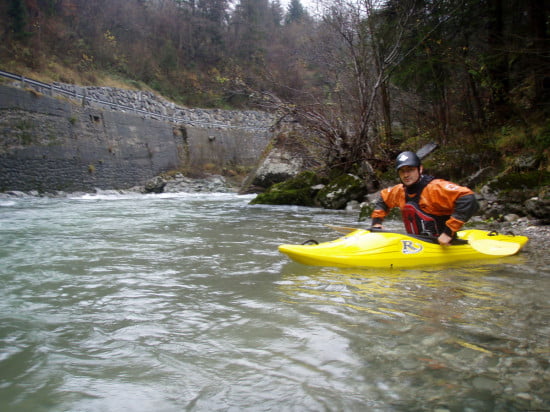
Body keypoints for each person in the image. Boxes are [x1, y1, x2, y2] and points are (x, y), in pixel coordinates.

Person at [370, 151, 479, 246]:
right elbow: (383, 199)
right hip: (417, 244)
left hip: (443, 244)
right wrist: (376, 223)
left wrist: (448, 232)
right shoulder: (399, 191)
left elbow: (468, 198)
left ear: (420, 169)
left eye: (410, 169)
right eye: (402, 171)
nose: (406, 175)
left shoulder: (435, 188)